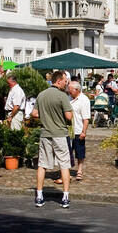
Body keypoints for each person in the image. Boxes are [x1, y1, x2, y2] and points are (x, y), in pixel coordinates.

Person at [32, 70, 74, 208]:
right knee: (64, 164)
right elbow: (68, 116)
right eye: (65, 80)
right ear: (58, 81)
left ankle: (39, 195)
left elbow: (34, 113)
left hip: (45, 133)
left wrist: (45, 116)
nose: (66, 83)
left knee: (42, 164)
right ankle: (65, 196)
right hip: (60, 133)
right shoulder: (62, 96)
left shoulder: (41, 95)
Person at [67, 80, 91, 181]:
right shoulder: (69, 98)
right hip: (68, 130)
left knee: (80, 151)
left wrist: (83, 132)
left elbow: (86, 118)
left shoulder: (84, 100)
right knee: (67, 152)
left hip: (78, 130)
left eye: (70, 90)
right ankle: (66, 172)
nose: (69, 92)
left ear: (76, 90)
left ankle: (80, 170)